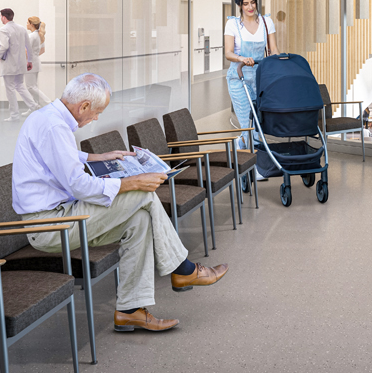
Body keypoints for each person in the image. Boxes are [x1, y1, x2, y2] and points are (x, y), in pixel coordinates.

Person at [14, 74, 229, 332]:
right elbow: (79, 186)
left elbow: (59, 156)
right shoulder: (54, 126)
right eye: (97, 112)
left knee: (140, 220)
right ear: (84, 106)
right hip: (50, 225)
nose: (96, 118)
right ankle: (183, 269)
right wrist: (132, 182)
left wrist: (97, 157)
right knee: (143, 194)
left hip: (62, 215)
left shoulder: (48, 118)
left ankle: (129, 310)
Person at [224, 0, 278, 181]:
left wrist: (280, 61)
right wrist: (241, 59)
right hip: (239, 78)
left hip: (261, 78)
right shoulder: (232, 24)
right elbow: (228, 53)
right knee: (248, 123)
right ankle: (253, 167)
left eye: (252, 2)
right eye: (245, 3)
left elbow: (273, 49)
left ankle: (242, 145)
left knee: (259, 122)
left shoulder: (266, 22)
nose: (250, 7)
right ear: (239, 5)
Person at [0, 8, 36, 121]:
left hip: (9, 64)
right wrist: (30, 61)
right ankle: (34, 106)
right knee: (20, 85)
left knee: (10, 89)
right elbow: (28, 46)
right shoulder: (22, 28)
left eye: (1, 16)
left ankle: (14, 115)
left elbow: (4, 46)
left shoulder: (3, 30)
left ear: (4, 17)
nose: (0, 18)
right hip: (21, 64)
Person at [24, 16, 52, 107]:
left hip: (29, 63)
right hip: (35, 62)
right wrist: (34, 56)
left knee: (31, 87)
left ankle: (48, 103)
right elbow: (42, 50)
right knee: (33, 86)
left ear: (32, 24)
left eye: (27, 23)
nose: (26, 25)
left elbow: (26, 51)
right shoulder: (39, 35)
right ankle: (34, 106)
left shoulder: (31, 36)